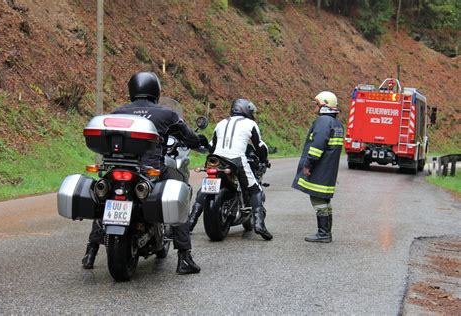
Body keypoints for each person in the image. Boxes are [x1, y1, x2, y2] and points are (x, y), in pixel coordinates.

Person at [82, 71, 207, 274]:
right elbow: (188, 136)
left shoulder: (117, 113)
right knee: (177, 195)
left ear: (132, 90)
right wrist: (199, 142)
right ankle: (185, 258)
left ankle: (91, 252)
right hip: (151, 171)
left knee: (106, 200)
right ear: (155, 90)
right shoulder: (167, 114)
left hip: (117, 169)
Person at [188, 98, 273, 241]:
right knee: (255, 189)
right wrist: (264, 160)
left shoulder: (221, 123)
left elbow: (212, 146)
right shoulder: (251, 124)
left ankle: (190, 221)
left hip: (216, 159)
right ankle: (259, 225)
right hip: (237, 159)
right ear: (247, 110)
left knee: (205, 188)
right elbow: (259, 146)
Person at [291, 91, 344, 243]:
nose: (314, 107)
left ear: (324, 104)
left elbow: (317, 146)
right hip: (329, 169)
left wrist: (308, 164)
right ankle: (326, 232)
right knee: (324, 200)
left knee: (318, 199)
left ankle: (323, 233)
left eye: (317, 104)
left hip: (320, 168)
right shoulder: (337, 124)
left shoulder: (323, 121)